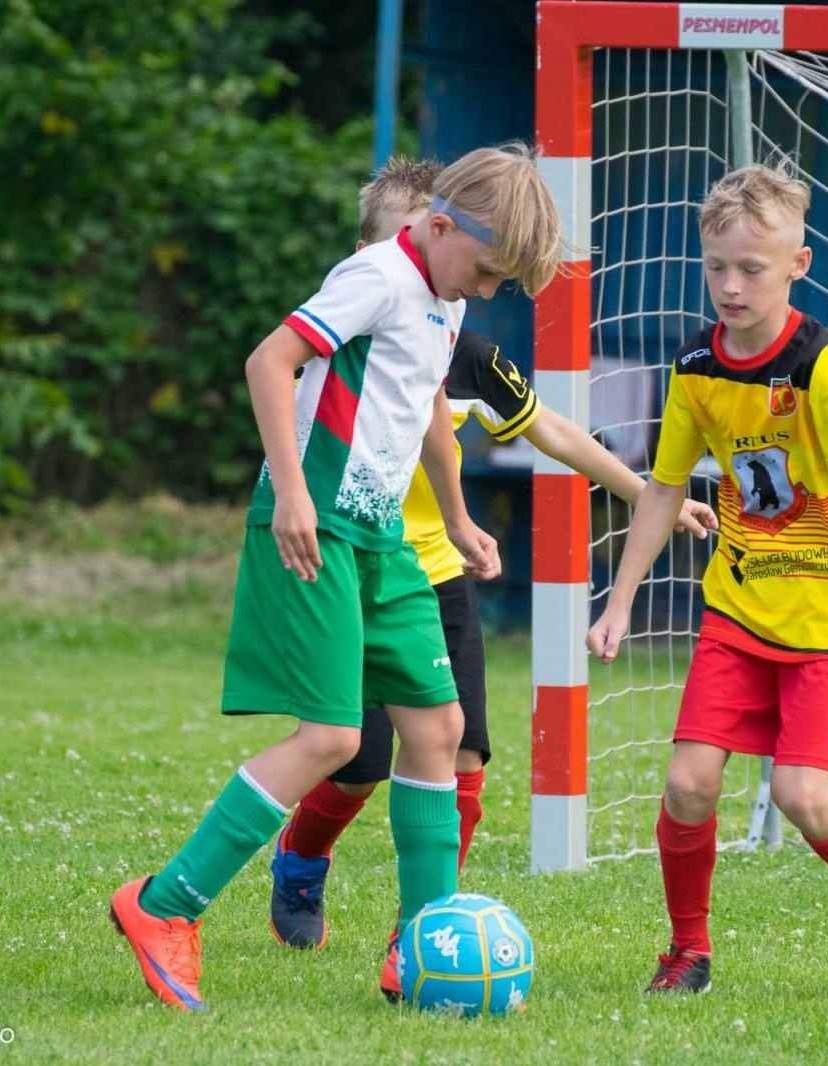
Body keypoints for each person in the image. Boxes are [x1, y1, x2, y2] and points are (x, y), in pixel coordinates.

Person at [108, 143, 564, 1010]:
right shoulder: (379, 276)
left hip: (383, 539)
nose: (491, 291)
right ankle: (163, 905)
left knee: (438, 724)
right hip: (313, 524)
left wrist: (458, 516)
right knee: (333, 739)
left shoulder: (444, 298)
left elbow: (424, 413)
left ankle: (425, 948)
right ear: (439, 227)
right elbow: (268, 361)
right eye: (491, 271)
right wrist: (289, 493)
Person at [265, 157, 718, 1000]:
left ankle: (424, 931)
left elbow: (552, 430)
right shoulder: (352, 327)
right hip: (346, 567)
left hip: (433, 576)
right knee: (356, 763)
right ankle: (301, 858)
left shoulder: (465, 349)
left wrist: (650, 489)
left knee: (462, 747)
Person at [586, 160, 828, 1002]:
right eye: (716, 266)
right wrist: (620, 603)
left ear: (799, 263)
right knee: (687, 781)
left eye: (752, 268)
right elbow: (664, 488)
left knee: (800, 792)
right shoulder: (694, 366)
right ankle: (688, 951)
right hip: (741, 609)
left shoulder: (827, 369)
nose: (730, 284)